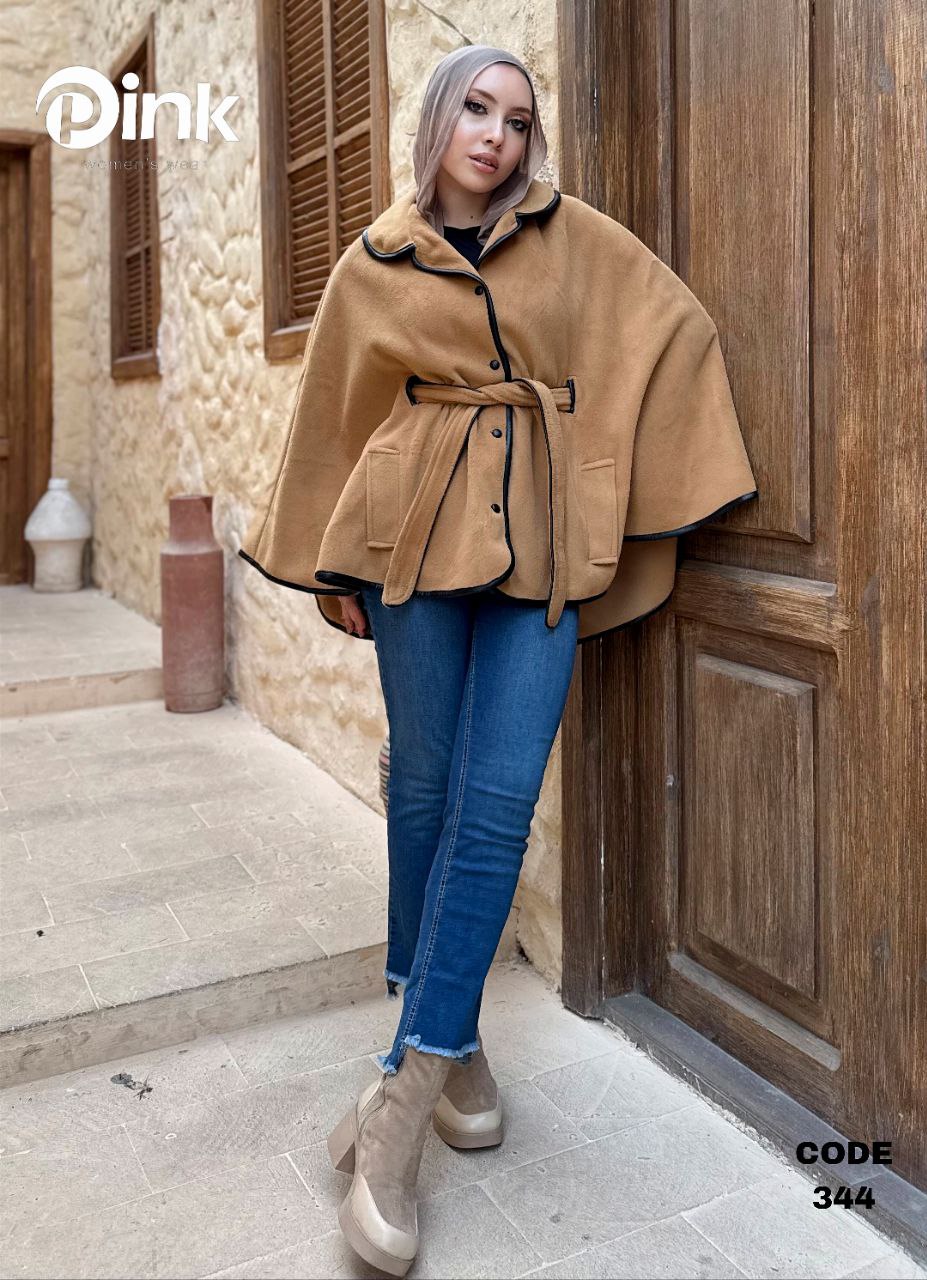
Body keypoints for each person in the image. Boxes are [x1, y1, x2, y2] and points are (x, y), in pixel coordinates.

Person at [238, 43, 759, 1277]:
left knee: (498, 803)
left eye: (518, 119)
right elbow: (337, 416)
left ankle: (400, 1100)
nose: (496, 135)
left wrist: (609, 469)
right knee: (423, 786)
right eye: (475, 109)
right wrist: (330, 562)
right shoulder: (374, 261)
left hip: (547, 549)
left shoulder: (578, 239)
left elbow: (671, 332)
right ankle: (457, 1039)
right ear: (439, 120)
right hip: (411, 546)